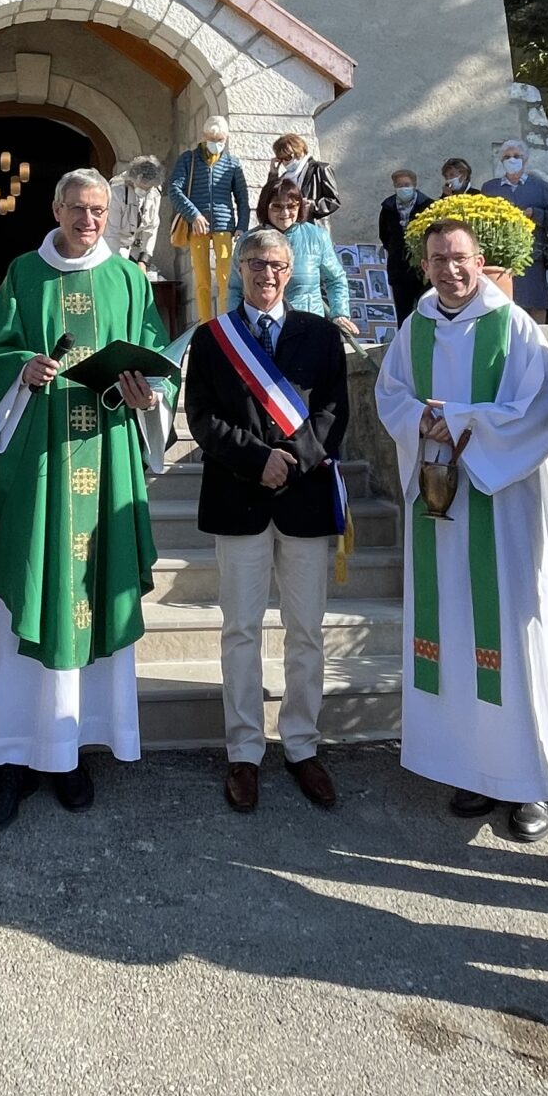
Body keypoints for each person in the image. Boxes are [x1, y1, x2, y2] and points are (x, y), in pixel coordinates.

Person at [373, 218, 548, 840]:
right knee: (451, 631)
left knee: (512, 630)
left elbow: (542, 408)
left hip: (503, 507)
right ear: (425, 266)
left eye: (460, 258)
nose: (450, 269)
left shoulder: (514, 324)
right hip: (441, 508)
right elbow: (391, 393)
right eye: (438, 259)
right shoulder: (415, 327)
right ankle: (471, 768)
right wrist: (421, 420)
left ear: (480, 261)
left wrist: (459, 421)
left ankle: (530, 780)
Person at [0, 168, 170, 829]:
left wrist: (148, 396)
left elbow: (157, 360)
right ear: (55, 208)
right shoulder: (24, 274)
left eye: (99, 210)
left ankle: (73, 750)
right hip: (40, 470)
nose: (88, 220)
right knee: (32, 592)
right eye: (77, 208)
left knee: (91, 594)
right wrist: (22, 369)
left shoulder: (130, 279)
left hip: (106, 462)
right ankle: (12, 755)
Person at [184, 226, 349, 812]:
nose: (268, 274)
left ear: (291, 270)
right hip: (239, 498)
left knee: (306, 631)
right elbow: (201, 417)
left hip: (303, 499)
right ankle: (244, 751)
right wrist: (258, 461)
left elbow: (333, 412)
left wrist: (292, 461)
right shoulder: (212, 338)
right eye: (256, 263)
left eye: (277, 264)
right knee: (241, 630)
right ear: (241, 269)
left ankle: (302, 744)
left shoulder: (320, 334)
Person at [166, 117, 249, 324]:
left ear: (226, 138)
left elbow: (242, 198)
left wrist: (241, 226)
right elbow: (174, 189)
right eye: (212, 139)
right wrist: (193, 215)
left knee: (226, 277)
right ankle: (204, 324)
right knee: (202, 279)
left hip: (224, 225)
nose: (216, 143)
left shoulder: (232, 163)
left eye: (220, 139)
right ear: (204, 137)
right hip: (197, 227)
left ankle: (227, 322)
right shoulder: (189, 159)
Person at [258, 176, 354, 333]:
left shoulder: (317, 237)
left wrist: (340, 313)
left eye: (292, 206)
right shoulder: (249, 241)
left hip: (308, 327)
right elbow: (236, 288)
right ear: (265, 207)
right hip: (263, 329)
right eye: (277, 206)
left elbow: (336, 279)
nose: (285, 213)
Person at [480, 139, 548, 321]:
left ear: (525, 159)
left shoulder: (539, 186)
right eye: (507, 157)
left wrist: (535, 213)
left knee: (535, 301)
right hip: (501, 255)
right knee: (503, 303)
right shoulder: (490, 188)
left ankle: (536, 334)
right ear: (501, 161)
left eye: (516, 156)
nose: (512, 160)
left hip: (533, 253)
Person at [378, 167, 431, 317]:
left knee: (425, 309)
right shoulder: (388, 207)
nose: (403, 188)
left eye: (406, 184)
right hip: (398, 269)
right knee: (403, 312)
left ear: (414, 185)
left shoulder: (427, 205)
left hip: (421, 269)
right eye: (399, 185)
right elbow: (384, 235)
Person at [260, 130, 340, 227]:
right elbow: (269, 199)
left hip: (313, 227)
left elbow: (333, 201)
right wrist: (273, 174)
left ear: (299, 151)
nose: (285, 162)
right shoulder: (285, 177)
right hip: (288, 228)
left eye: (288, 157)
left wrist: (311, 205)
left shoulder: (319, 169)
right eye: (281, 158)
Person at [111, 154, 167, 268]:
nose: (145, 190)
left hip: (135, 249)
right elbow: (110, 231)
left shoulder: (155, 191)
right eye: (142, 186)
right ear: (133, 178)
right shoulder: (116, 190)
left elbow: (152, 227)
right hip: (115, 248)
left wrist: (143, 260)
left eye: (148, 187)